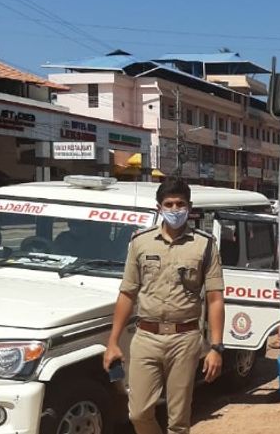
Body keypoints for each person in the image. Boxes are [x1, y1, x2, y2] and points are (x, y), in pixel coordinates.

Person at [103, 178, 225, 434]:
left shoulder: (204, 245)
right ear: (159, 207)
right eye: (168, 204)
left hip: (185, 339)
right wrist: (113, 342)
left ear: (189, 208)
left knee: (178, 420)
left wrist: (216, 347)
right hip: (146, 337)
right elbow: (127, 293)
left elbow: (215, 298)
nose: (174, 209)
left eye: (180, 204)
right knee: (138, 413)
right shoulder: (140, 242)